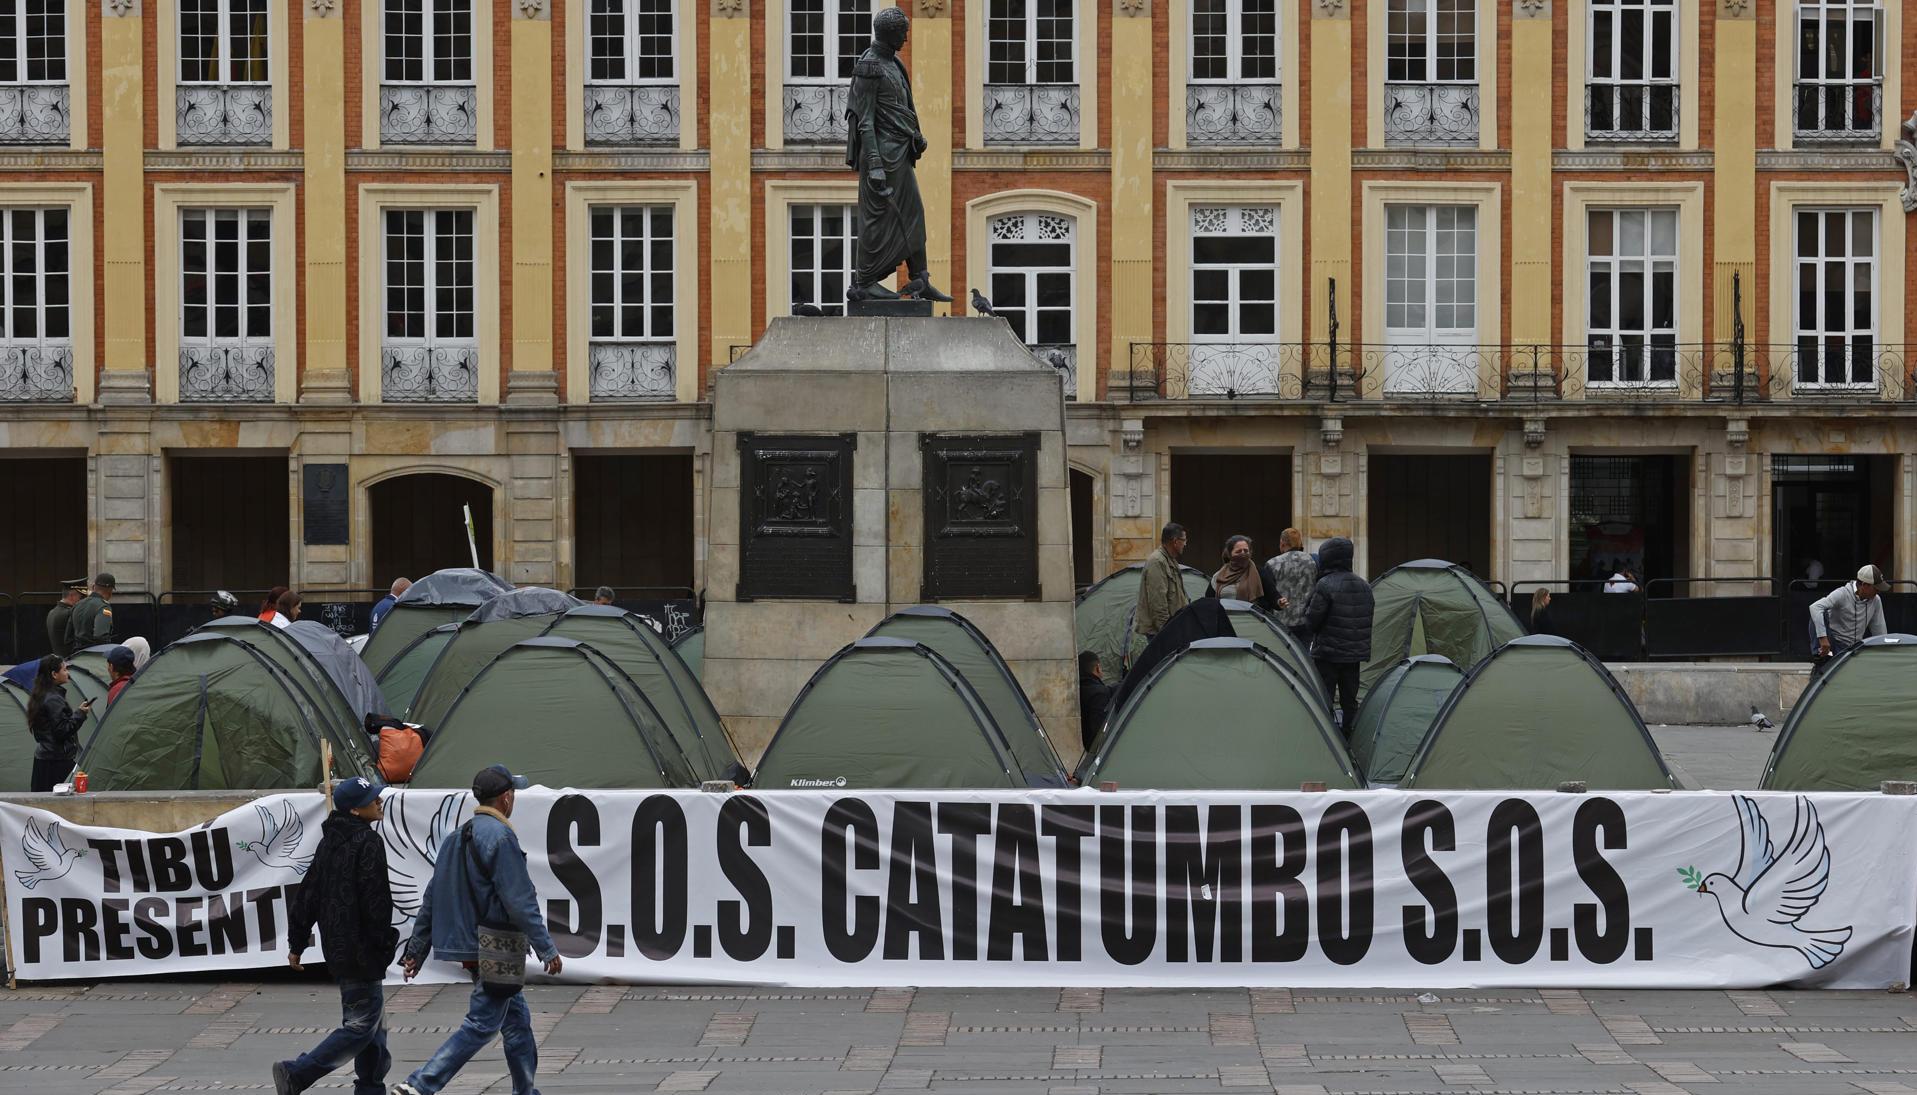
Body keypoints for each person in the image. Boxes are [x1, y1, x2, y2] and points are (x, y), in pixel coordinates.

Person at [393, 766, 562, 1095]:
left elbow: (432, 897)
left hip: (471, 944)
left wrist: (416, 950)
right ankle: (419, 1085)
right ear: (506, 798)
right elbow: (520, 900)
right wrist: (546, 947)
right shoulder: (501, 837)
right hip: (496, 947)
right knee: (482, 1024)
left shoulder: (457, 837)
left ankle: (525, 1091)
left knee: (517, 1024)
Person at [276, 776, 399, 1095]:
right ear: (355, 810)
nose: (379, 801)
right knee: (361, 1026)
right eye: (372, 799)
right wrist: (384, 943)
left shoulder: (329, 840)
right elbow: (376, 902)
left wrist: (297, 942)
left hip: (340, 949)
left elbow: (308, 893)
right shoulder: (368, 842)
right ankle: (297, 1073)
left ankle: (370, 1088)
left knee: (374, 1026)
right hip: (363, 950)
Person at [844, 8, 951, 303]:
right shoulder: (869, 67)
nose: (906, 37)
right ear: (890, 33)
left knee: (914, 213)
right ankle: (865, 282)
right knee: (876, 219)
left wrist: (914, 134)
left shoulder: (895, 62)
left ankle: (920, 279)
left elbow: (903, 106)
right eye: (903, 32)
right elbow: (865, 121)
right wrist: (874, 164)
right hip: (881, 156)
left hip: (899, 152)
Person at [1304, 537, 1373, 735]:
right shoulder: (1364, 585)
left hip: (1327, 654)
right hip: (1354, 654)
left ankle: (1327, 735)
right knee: (1349, 699)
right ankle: (1350, 733)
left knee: (1325, 697)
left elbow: (1312, 621)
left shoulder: (1324, 585)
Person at [1810, 564, 1888, 675]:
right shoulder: (1842, 593)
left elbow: (1879, 629)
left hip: (1855, 648)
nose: (1878, 591)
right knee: (1818, 615)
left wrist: (1884, 654)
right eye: (1876, 588)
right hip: (1833, 645)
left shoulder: (1876, 600)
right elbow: (1815, 607)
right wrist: (1823, 639)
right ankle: (1820, 658)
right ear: (1865, 585)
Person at [27, 655, 90, 792]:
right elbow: (62, 730)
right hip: (57, 762)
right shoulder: (53, 698)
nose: (68, 673)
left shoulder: (42, 694)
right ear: (54, 674)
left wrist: (77, 713)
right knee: (59, 800)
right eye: (64, 669)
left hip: (44, 759)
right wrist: (80, 714)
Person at [1134, 522, 1190, 641]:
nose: (1185, 544)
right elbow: (1158, 602)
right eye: (1184, 540)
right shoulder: (1157, 561)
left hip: (1173, 627)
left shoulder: (1170, 560)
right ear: (1175, 541)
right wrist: (1166, 633)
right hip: (1161, 632)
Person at [1266, 528, 1317, 646]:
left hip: (1281, 622)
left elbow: (1268, 594)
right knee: (1305, 655)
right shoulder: (1313, 561)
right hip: (1306, 620)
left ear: (1282, 543)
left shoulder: (1272, 563)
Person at [1205, 535, 1277, 611]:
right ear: (1230, 554)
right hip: (1224, 616)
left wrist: (1279, 602)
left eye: (1245, 551)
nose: (1243, 553)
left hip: (1251, 617)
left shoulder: (1260, 573)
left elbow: (1273, 596)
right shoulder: (1219, 575)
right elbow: (1208, 601)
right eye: (1238, 551)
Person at [65, 572, 118, 651]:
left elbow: (68, 638)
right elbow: (100, 636)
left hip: (77, 654)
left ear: (94, 587)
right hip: (94, 654)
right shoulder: (104, 607)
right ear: (110, 590)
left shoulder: (77, 604)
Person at [1077, 651, 1112, 753]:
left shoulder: (1076, 690)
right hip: (1092, 752)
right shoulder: (1100, 694)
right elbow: (1099, 731)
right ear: (1097, 668)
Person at [45, 577, 87, 658]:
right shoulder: (70, 613)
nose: (83, 601)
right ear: (72, 596)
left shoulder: (52, 612)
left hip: (62, 659)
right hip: (72, 659)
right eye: (81, 597)